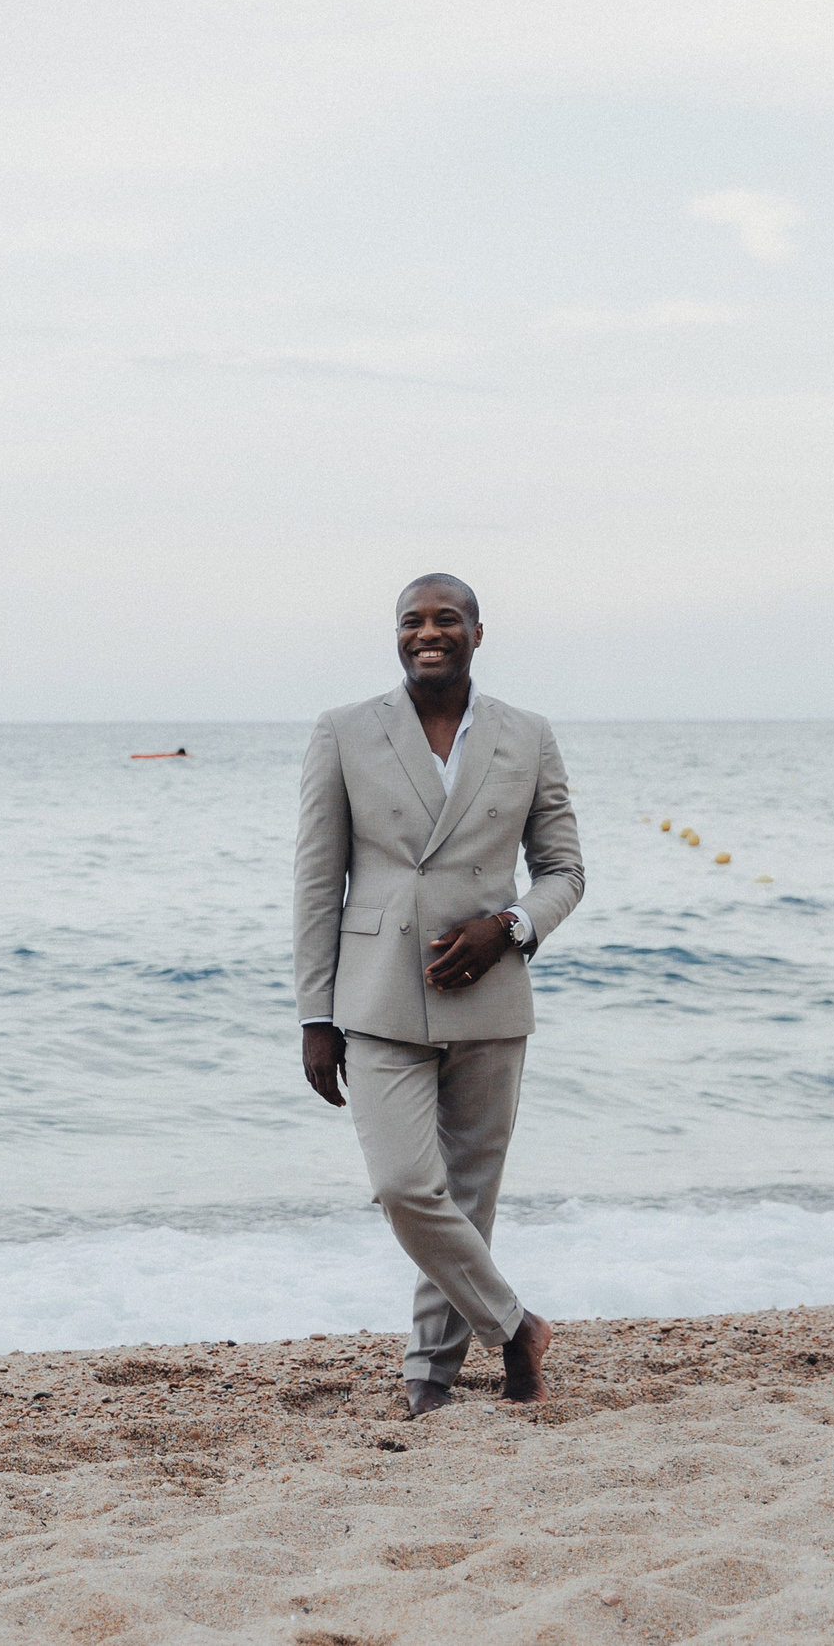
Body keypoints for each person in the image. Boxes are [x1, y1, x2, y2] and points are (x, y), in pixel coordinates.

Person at [292, 573, 584, 1411]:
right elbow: (318, 881)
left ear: (477, 633)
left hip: (491, 1002)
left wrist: (513, 926)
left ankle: (431, 1376)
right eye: (412, 620)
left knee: (469, 1197)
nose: (429, 632)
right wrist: (316, 1012)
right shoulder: (344, 731)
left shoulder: (527, 735)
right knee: (405, 1186)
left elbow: (564, 870)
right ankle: (518, 1326)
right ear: (396, 634)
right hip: (377, 994)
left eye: (446, 619)